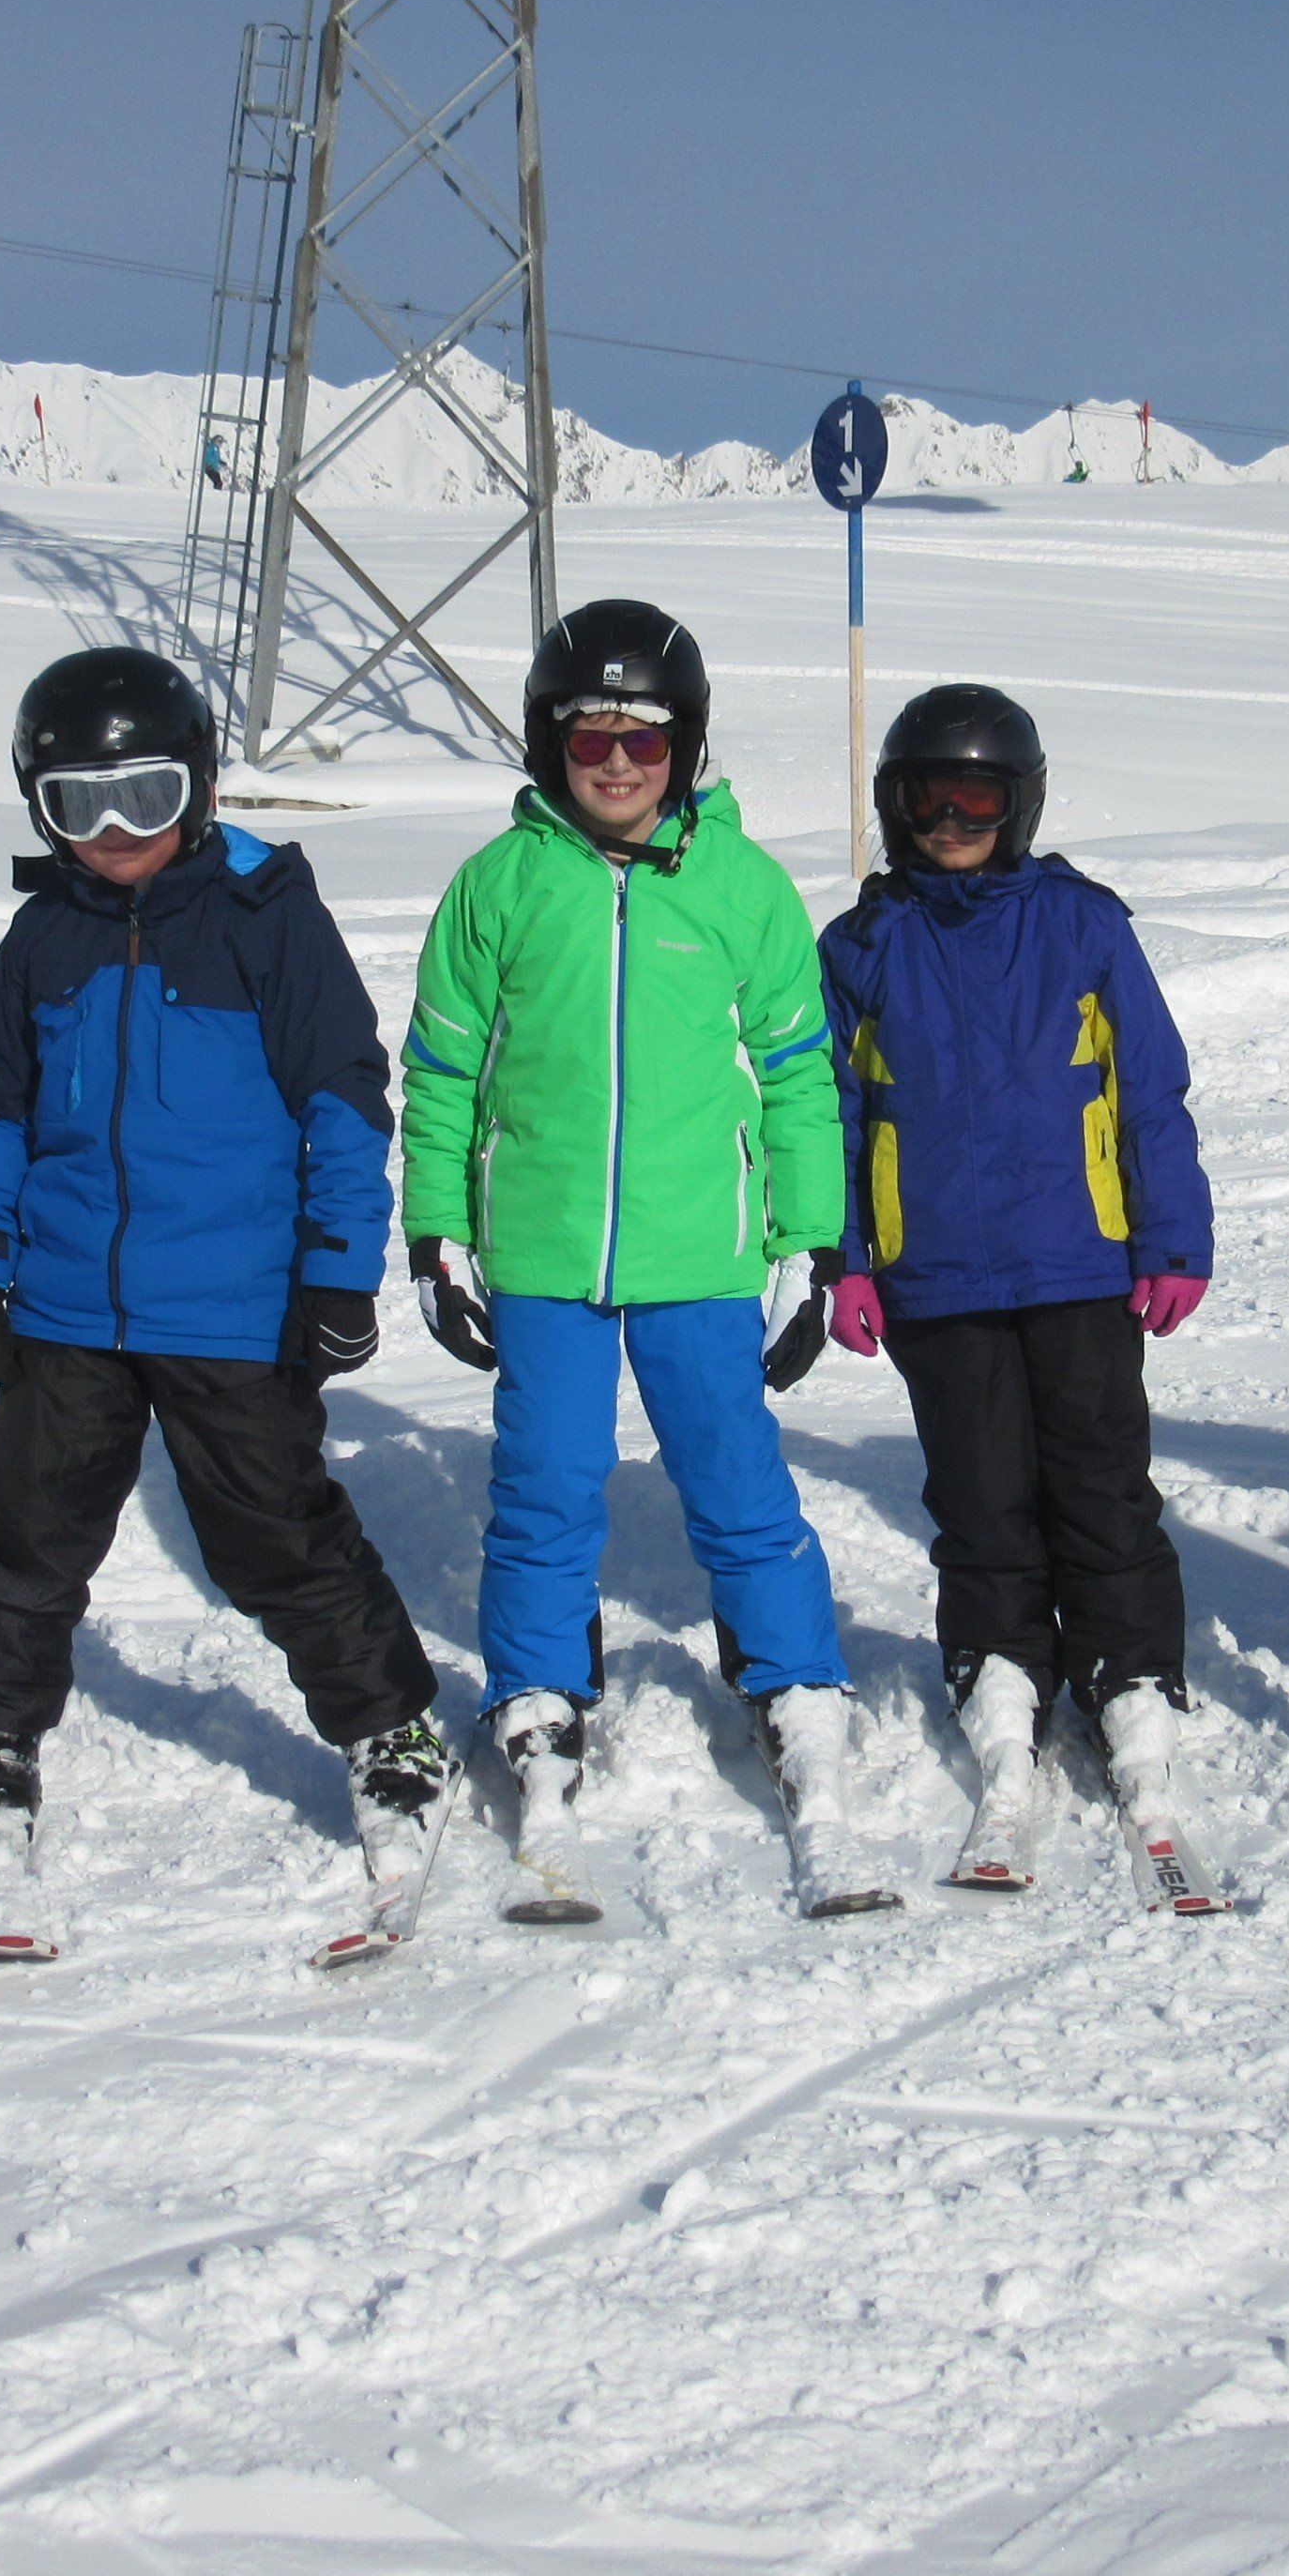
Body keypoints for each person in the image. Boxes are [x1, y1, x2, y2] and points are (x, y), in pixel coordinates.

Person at [0, 646, 443, 1958]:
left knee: (278, 1535)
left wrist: (339, 1268)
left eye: (144, 799)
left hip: (229, 1307)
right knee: (24, 1534)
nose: (112, 837)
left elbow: (342, 1096)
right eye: (77, 807)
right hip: (64, 1308)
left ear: (201, 789)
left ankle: (388, 1734)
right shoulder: (43, 935)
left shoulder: (268, 915)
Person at [398, 599, 888, 1921]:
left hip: (703, 1257)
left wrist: (811, 1242)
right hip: (544, 1253)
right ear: (550, 740)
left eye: (646, 739)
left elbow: (799, 1079)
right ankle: (540, 1706)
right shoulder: (500, 887)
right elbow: (443, 1070)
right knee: (546, 1486)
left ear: (690, 746)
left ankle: (795, 1694)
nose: (617, 763)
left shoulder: (742, 889)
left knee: (737, 1484)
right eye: (589, 735)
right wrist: (436, 1231)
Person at [817, 685, 1213, 1893]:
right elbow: (827, 1111)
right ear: (893, 807)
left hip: (1078, 1262)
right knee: (982, 1497)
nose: (950, 819)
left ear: (1019, 805)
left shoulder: (1083, 926)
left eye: (975, 798)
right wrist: (843, 1256)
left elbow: (1147, 1087)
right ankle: (1000, 1682)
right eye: (926, 798)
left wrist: (1170, 1235)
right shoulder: (860, 946)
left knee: (1099, 1484)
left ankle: (1129, 1684)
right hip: (934, 1278)